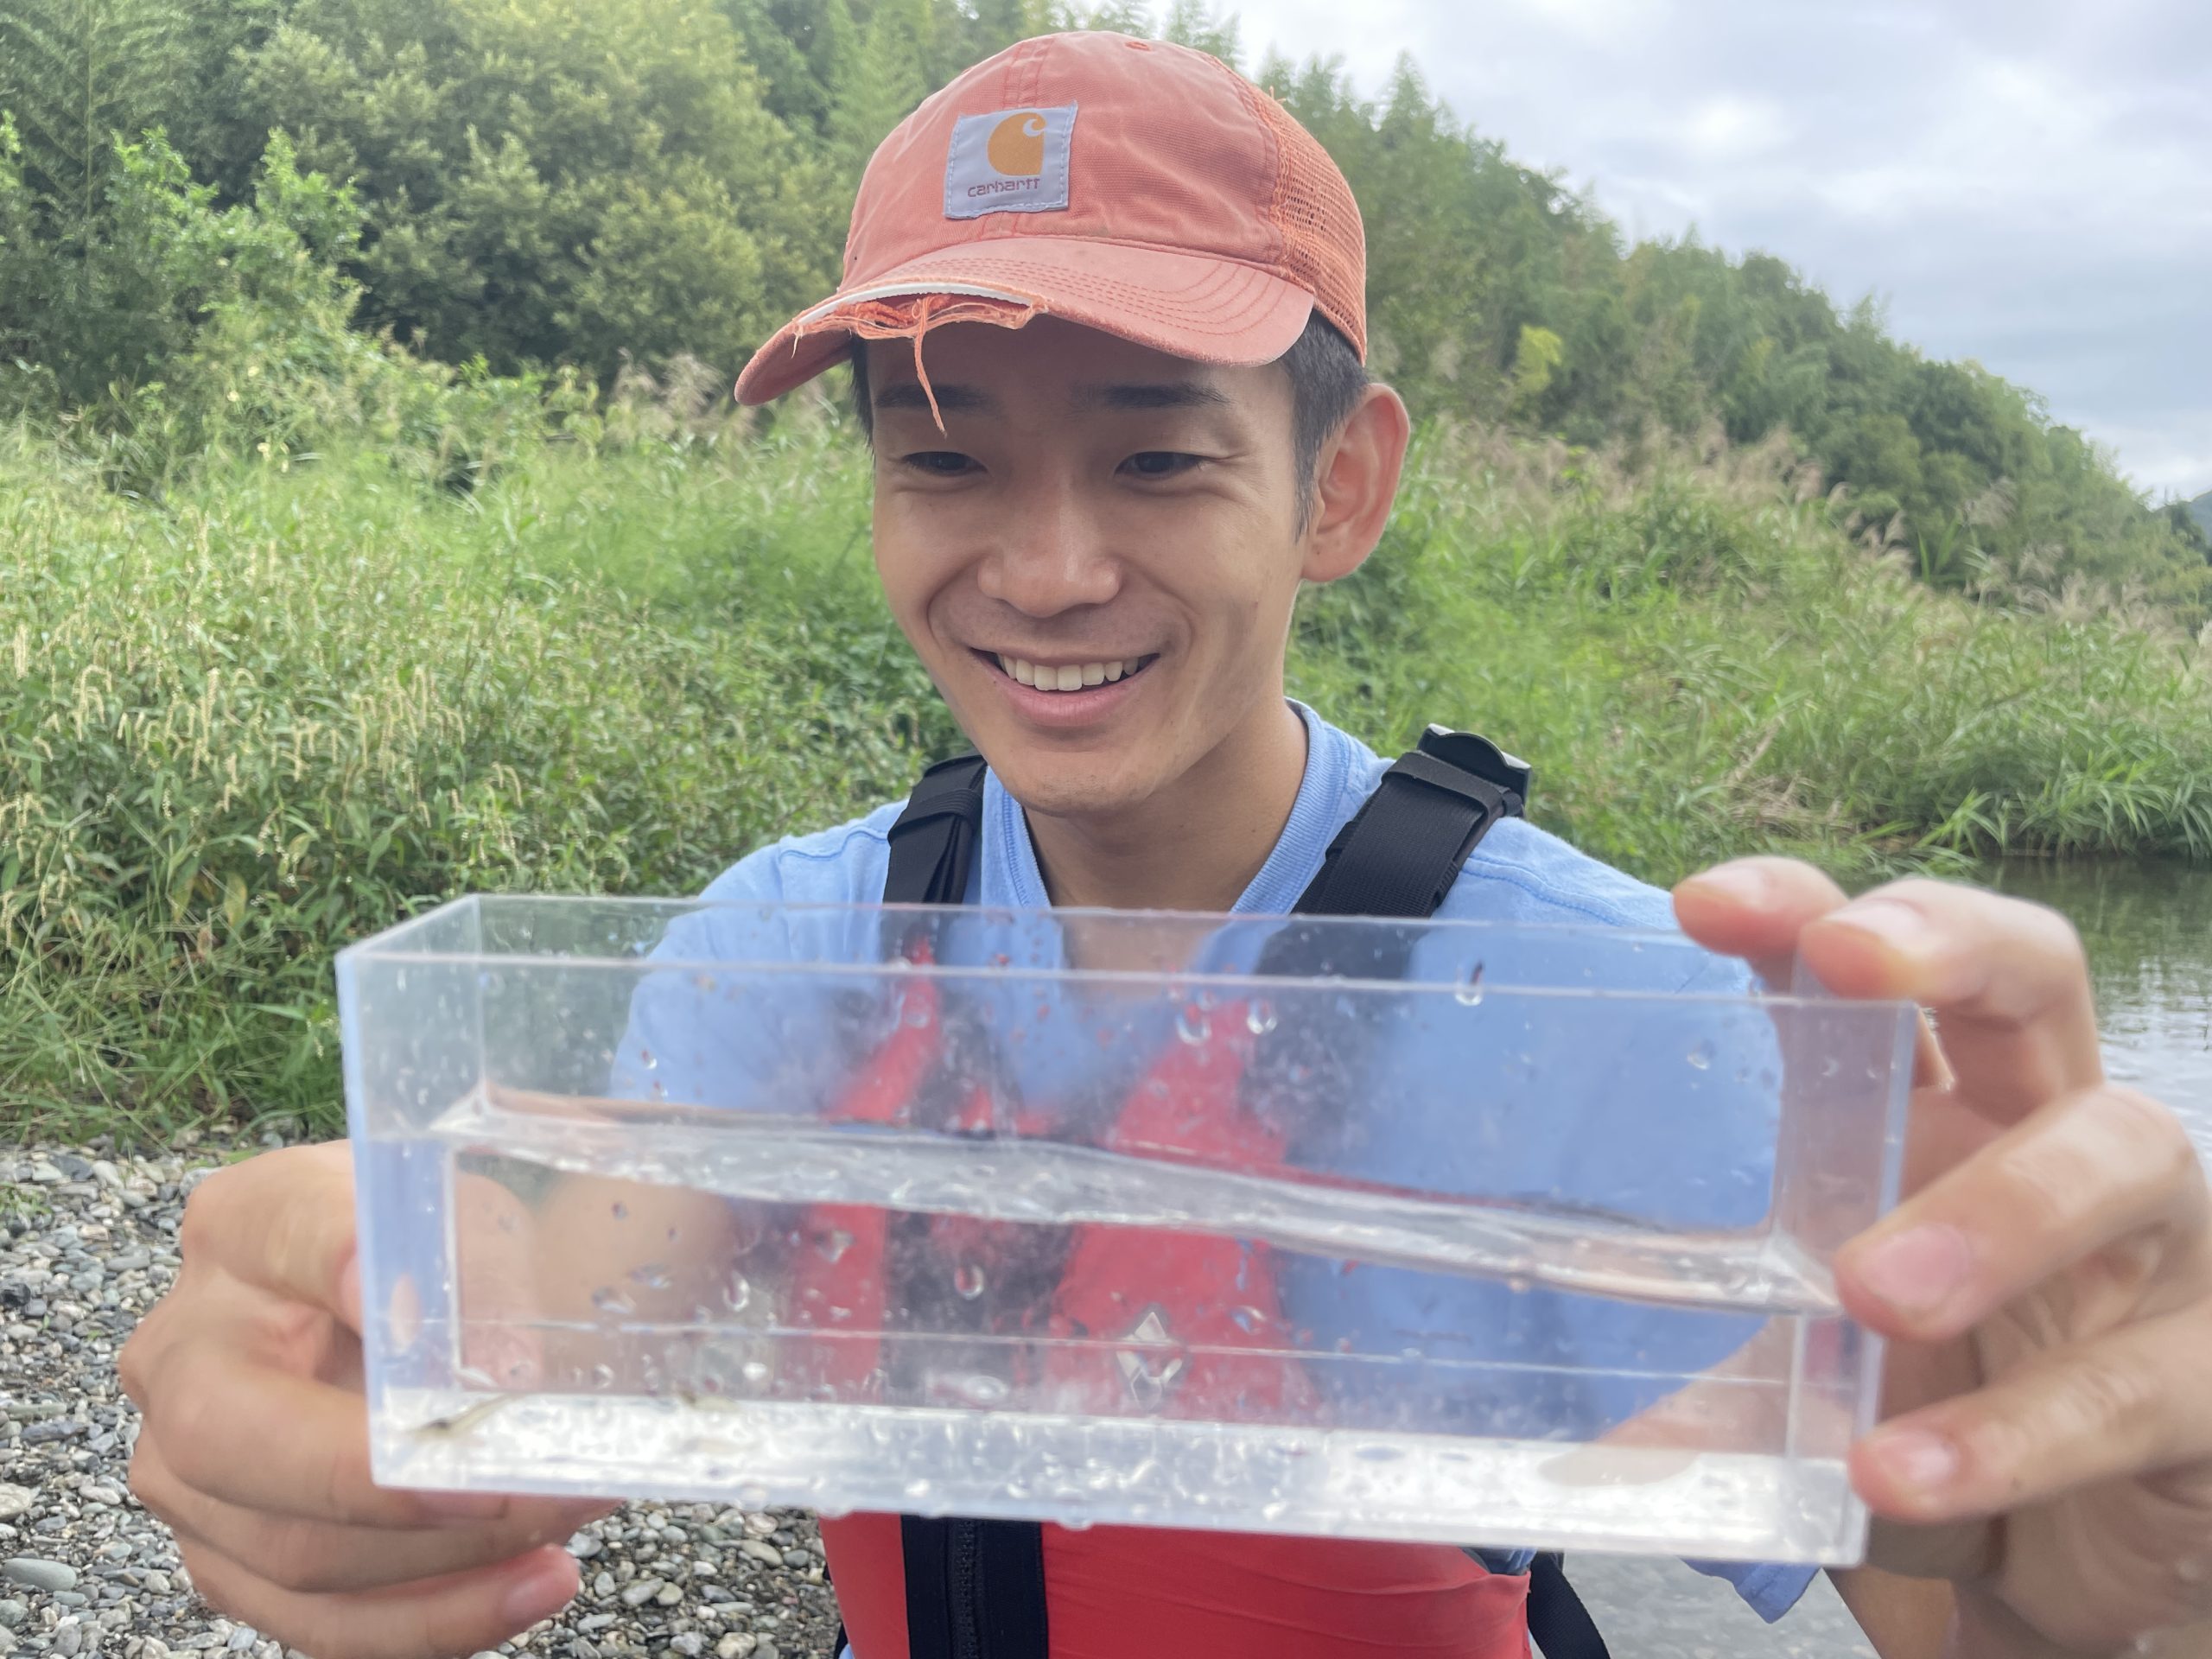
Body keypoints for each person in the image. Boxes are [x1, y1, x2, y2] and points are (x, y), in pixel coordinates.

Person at [118, 30, 2212, 1659]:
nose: (1043, 569)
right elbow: (542, 1338)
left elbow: (1967, 1584)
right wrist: (335, 1388)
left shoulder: (1609, 1005)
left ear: (1336, 487)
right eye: (942, 461)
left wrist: (2115, 1572)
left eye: (1157, 458)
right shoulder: (790, 945)